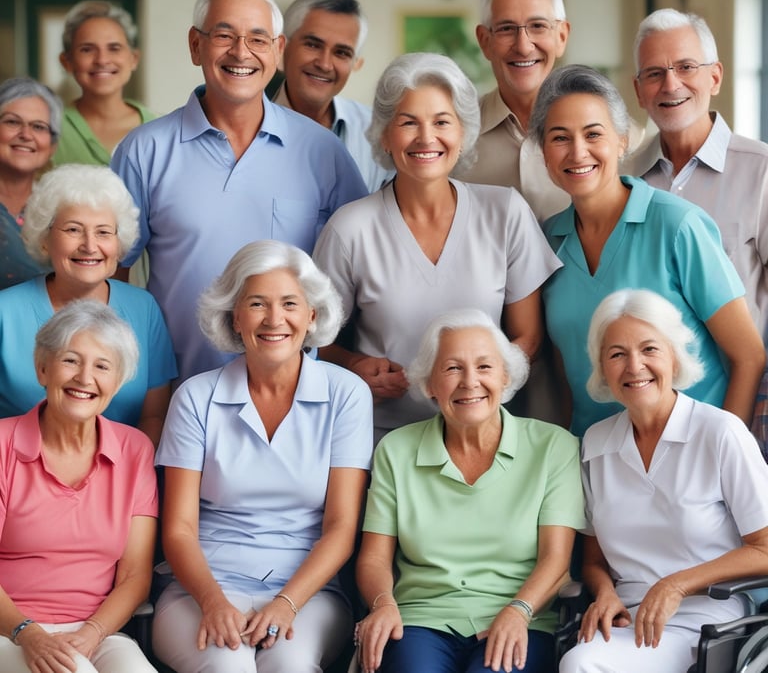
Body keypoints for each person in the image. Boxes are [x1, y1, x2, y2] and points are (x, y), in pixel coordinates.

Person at [111, 0, 368, 384]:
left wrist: (349, 364)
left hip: (296, 399)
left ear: (277, 50)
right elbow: (113, 283)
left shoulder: (323, 152)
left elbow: (359, 272)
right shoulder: (143, 150)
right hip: (174, 393)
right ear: (196, 46)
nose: (241, 52)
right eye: (224, 35)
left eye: (257, 39)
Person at [313, 52, 560, 441]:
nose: (426, 138)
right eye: (408, 122)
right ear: (384, 134)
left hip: (485, 441)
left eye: (442, 122)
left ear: (463, 132)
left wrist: (479, 396)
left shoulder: (506, 212)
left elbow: (527, 338)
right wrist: (355, 364)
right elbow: (316, 343)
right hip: (384, 440)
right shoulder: (350, 228)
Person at [152, 240, 373, 673]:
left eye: (290, 303)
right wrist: (213, 602)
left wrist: (287, 603)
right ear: (234, 316)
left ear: (311, 315)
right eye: (257, 304)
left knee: (289, 666)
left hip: (309, 592)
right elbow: (178, 528)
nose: (275, 319)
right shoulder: (195, 397)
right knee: (226, 665)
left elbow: (342, 527)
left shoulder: (347, 394)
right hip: (202, 587)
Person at [528, 64, 765, 437]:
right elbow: (566, 376)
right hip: (599, 466)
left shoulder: (677, 225)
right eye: (559, 138)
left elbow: (748, 356)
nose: (578, 152)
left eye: (594, 134)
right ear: (542, 150)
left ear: (622, 140)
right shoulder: (545, 242)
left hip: (693, 463)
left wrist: (722, 458)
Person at [356, 308, 584, 673]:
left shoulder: (553, 446)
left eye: (484, 367)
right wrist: (383, 604)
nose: (469, 382)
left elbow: (556, 561)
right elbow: (373, 558)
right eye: (452, 368)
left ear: (506, 377)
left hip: (522, 616)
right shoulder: (396, 450)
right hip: (420, 620)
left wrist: (518, 611)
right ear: (429, 383)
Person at [560, 289, 768, 673]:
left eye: (650, 349)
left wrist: (676, 585)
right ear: (602, 367)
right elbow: (594, 560)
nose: (634, 366)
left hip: (711, 621)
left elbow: (765, 548)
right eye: (617, 354)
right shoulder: (596, 442)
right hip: (628, 618)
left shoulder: (721, 433)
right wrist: (604, 594)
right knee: (579, 660)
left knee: (582, 665)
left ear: (674, 355)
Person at [625, 9, 768, 452]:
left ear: (715, 77)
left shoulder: (761, 172)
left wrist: (741, 431)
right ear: (639, 91)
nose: (671, 84)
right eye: (654, 73)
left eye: (686, 67)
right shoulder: (623, 178)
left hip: (745, 407)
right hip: (642, 416)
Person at [0, 299, 158, 673]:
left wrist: (93, 632)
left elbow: (135, 575)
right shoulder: (1, 445)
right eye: (70, 360)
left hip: (97, 634)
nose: (85, 378)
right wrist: (29, 633)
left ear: (116, 383)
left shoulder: (135, 449)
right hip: (9, 631)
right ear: (42, 369)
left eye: (102, 366)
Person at [0, 164, 176, 447]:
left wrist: (126, 479)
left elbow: (153, 417)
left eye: (104, 232)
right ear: (45, 239)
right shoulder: (4, 312)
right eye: (73, 230)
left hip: (120, 481)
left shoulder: (144, 308)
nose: (90, 245)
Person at [461, 0, 571, 220]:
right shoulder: (453, 137)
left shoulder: (611, 136)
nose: (523, 46)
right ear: (484, 40)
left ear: (561, 36)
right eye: (506, 28)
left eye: (538, 26)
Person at [271, 0, 392, 193]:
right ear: (281, 48)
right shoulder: (244, 130)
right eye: (312, 45)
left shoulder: (379, 134)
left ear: (356, 64)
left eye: (341, 53)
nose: (325, 64)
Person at [54, 0, 150, 167]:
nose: (102, 60)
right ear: (67, 61)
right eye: (87, 49)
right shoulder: (49, 129)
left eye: (114, 48)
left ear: (134, 59)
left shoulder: (164, 127)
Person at [0, 77, 61, 290]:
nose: (26, 135)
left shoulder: (60, 209)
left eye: (38, 126)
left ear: (52, 145)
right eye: (12, 122)